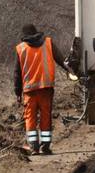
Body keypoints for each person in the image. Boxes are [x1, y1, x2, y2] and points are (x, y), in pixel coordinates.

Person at [14, 24, 68, 155]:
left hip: (29, 90)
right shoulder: (48, 43)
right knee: (45, 117)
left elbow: (17, 73)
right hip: (46, 88)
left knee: (30, 118)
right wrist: (70, 71)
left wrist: (17, 92)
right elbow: (61, 60)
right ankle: (45, 146)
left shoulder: (21, 48)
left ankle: (33, 147)